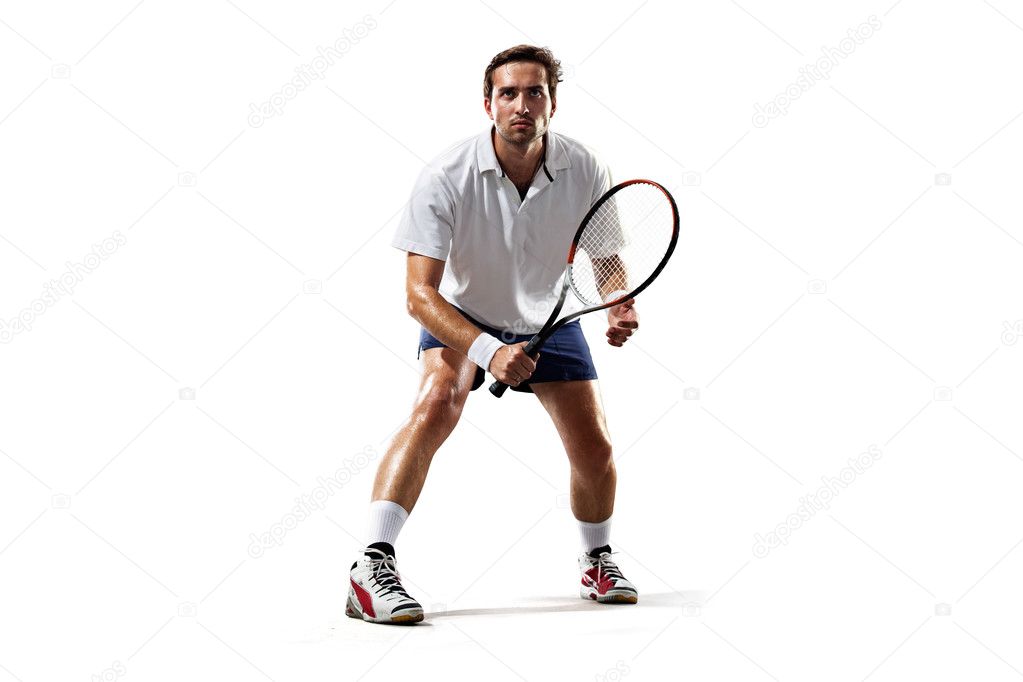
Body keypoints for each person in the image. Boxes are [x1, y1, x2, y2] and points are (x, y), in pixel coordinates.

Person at [346, 45, 639, 625]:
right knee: (436, 403)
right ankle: (370, 566)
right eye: (509, 93)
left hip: (548, 320)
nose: (522, 105)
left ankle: (597, 559)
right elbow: (418, 296)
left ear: (553, 104)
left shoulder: (587, 167)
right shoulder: (444, 176)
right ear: (489, 104)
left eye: (535, 93)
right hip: (462, 314)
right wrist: (487, 350)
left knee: (596, 447)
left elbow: (605, 258)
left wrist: (618, 304)